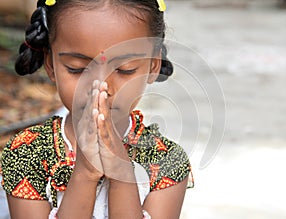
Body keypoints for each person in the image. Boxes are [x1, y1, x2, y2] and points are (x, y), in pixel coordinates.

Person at [0, 0, 193, 218]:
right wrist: (84, 174)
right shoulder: (26, 154)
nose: (100, 87)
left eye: (124, 70)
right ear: (51, 64)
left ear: (153, 65)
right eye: (77, 69)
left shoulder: (166, 162)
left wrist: (121, 175)